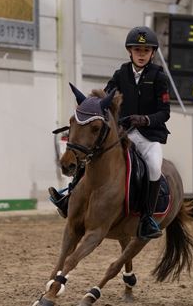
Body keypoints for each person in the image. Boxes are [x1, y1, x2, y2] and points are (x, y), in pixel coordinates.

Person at [49, 26, 170, 240]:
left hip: (149, 136)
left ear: (152, 53)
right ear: (130, 52)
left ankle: (147, 218)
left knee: (153, 167)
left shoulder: (159, 77)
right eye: (137, 50)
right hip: (124, 134)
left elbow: (164, 112)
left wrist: (145, 119)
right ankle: (68, 197)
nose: (141, 54)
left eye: (146, 50)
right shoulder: (121, 74)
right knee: (92, 155)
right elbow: (104, 99)